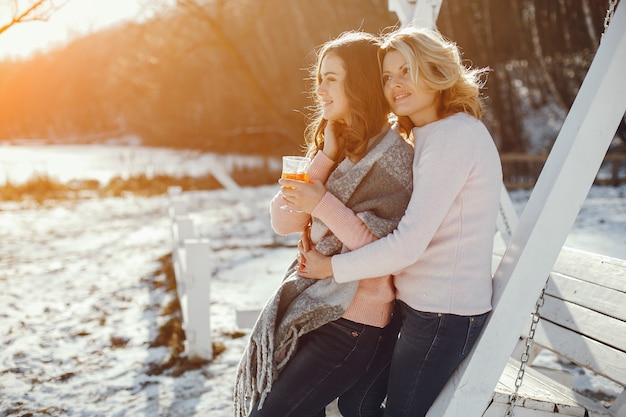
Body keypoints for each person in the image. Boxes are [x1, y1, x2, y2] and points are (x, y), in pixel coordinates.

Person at [297, 26, 503, 417]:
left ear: (436, 71)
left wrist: (331, 267)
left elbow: (408, 244)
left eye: (406, 71)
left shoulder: (454, 137)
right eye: (387, 77)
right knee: (357, 402)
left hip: (444, 311)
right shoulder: (428, 134)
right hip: (416, 305)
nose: (395, 85)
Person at [233, 31, 414, 417]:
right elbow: (283, 220)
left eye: (330, 78)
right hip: (317, 308)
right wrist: (326, 158)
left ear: (358, 83)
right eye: (319, 78)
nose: (319, 89)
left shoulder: (397, 160)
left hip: (354, 323)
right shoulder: (332, 146)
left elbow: (384, 252)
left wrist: (323, 203)